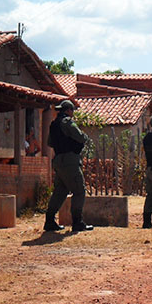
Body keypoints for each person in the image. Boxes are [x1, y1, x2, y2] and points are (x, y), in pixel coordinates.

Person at [44, 100, 93, 233]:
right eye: (72, 111)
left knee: (60, 191)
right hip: (70, 161)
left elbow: (50, 143)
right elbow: (80, 137)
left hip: (58, 160)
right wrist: (84, 137)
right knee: (79, 190)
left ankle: (49, 221)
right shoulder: (67, 122)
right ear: (69, 110)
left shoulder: (54, 124)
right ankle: (77, 222)